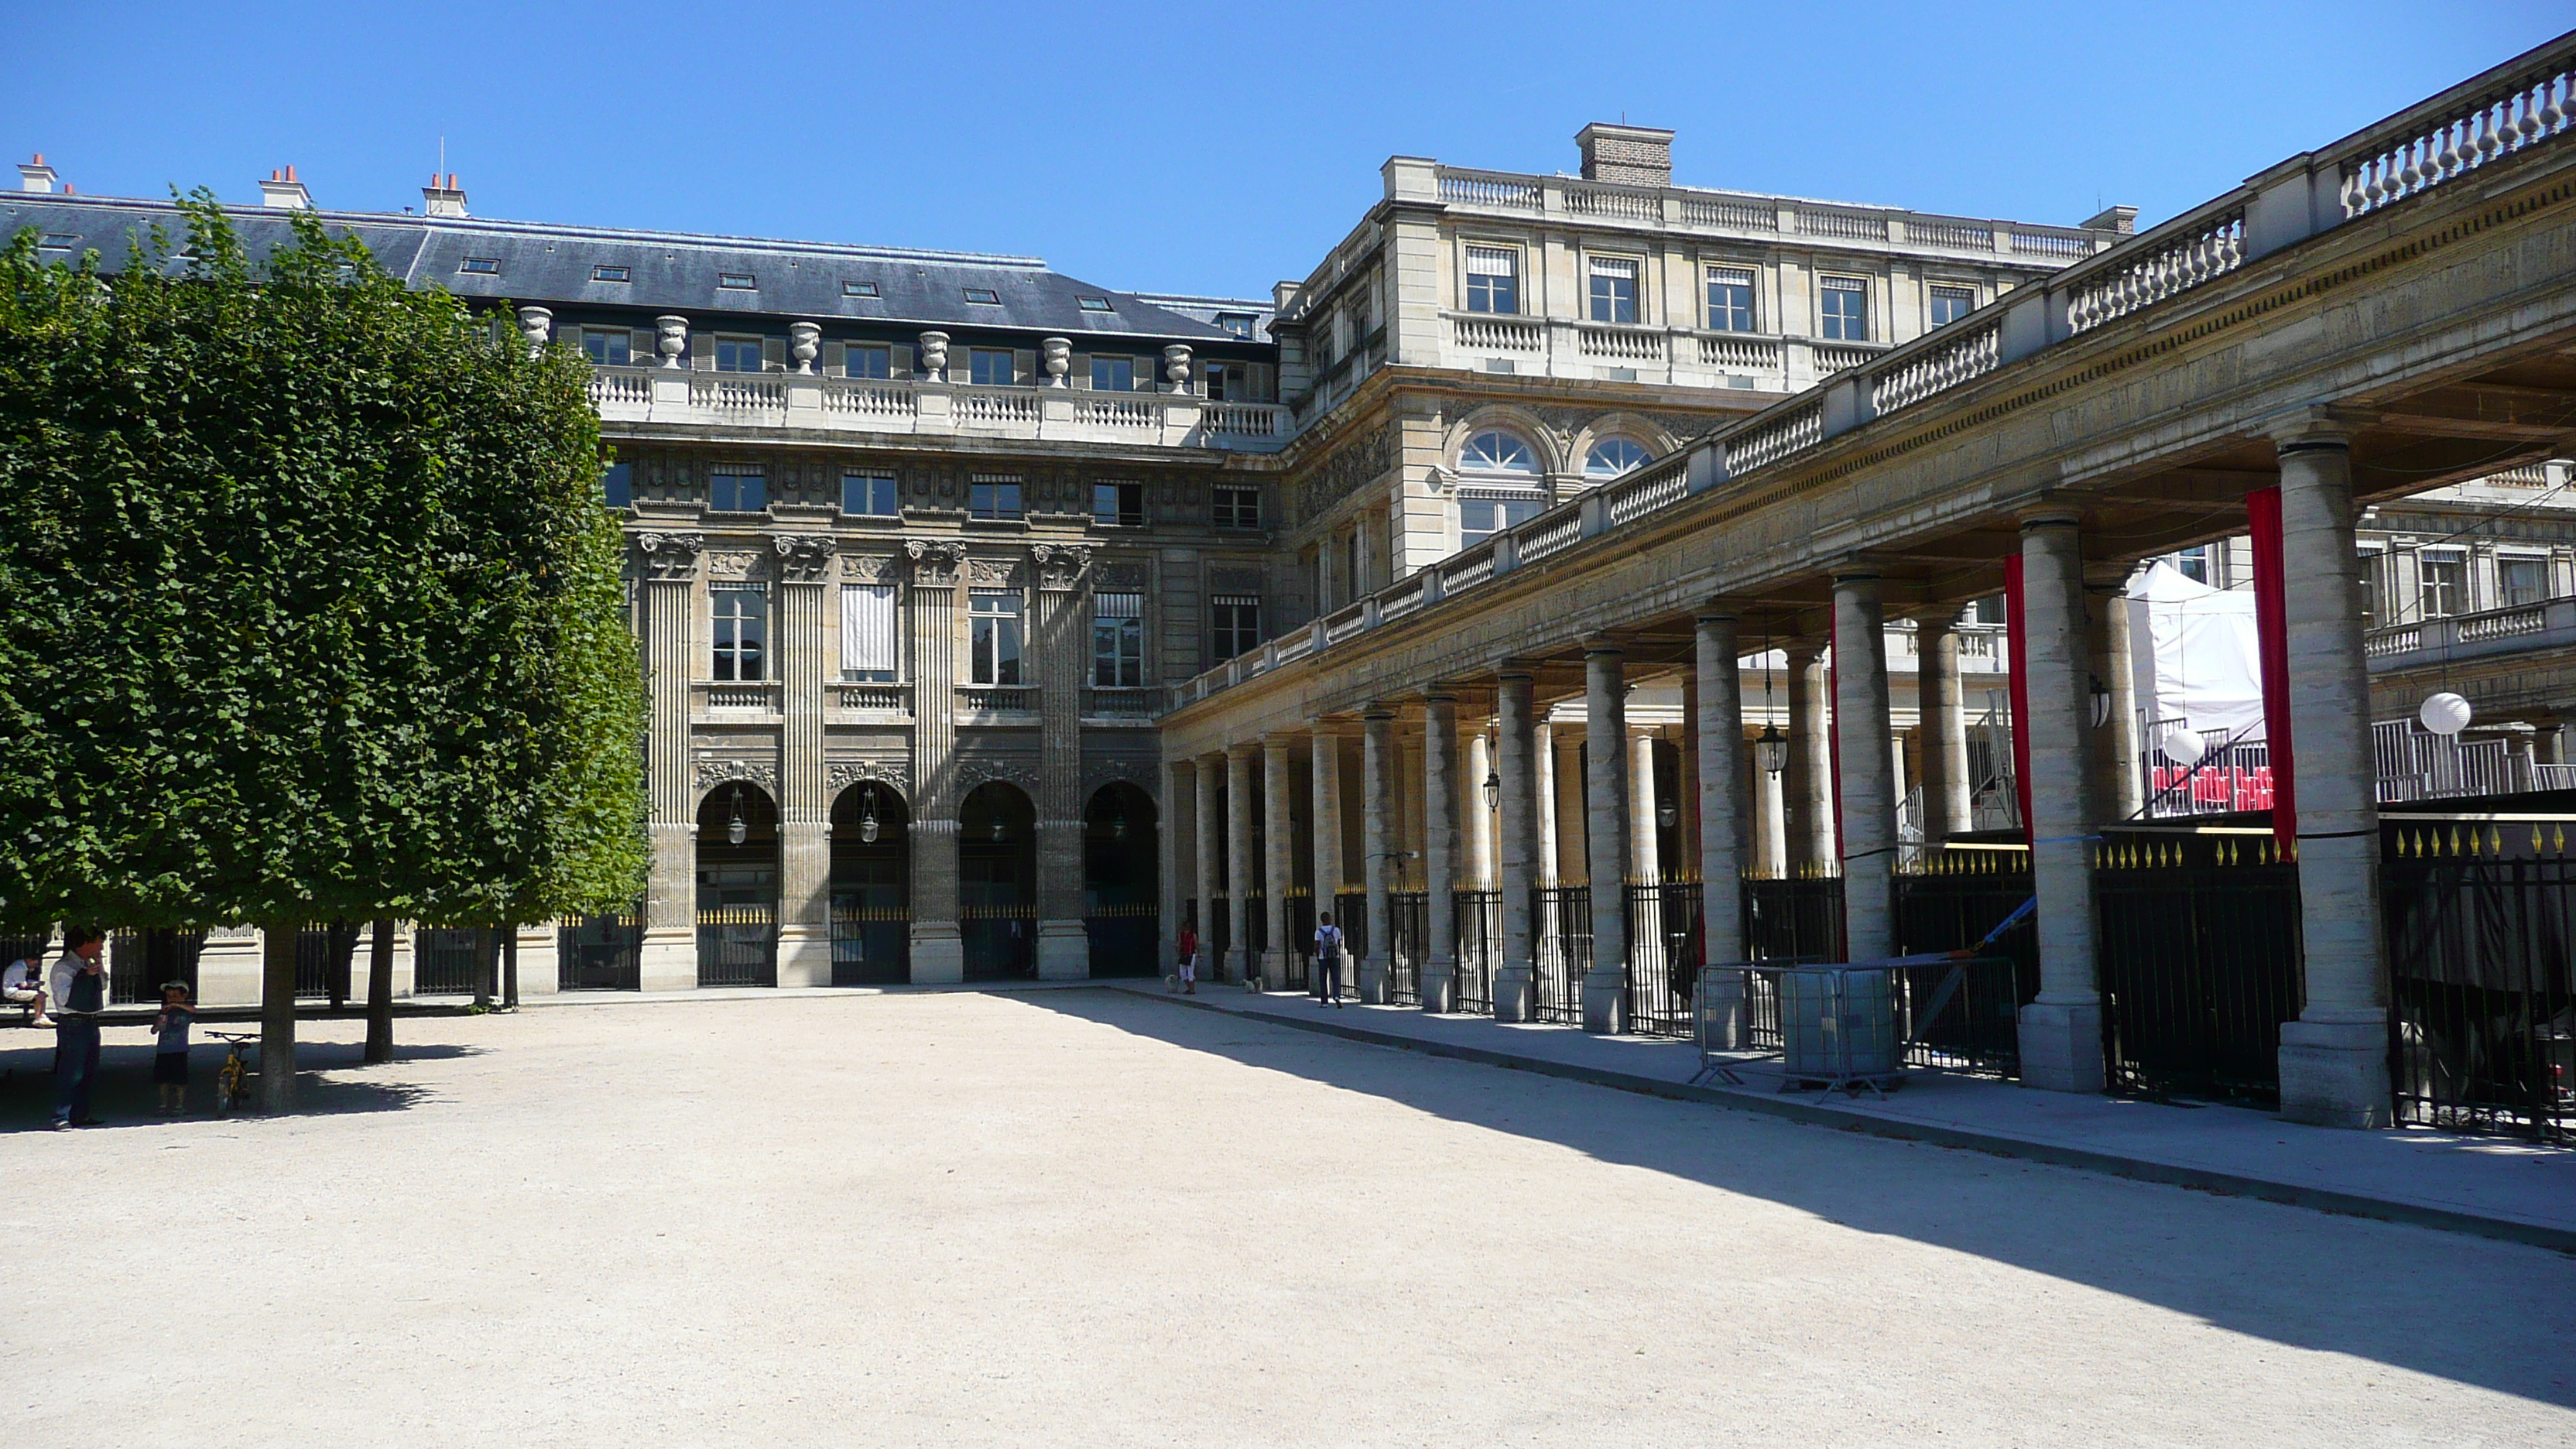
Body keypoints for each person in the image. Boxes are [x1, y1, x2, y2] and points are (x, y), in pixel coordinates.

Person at [49, 927, 107, 1129]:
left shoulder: (88, 963)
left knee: (89, 1070)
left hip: (90, 1021)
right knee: (71, 1072)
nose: (101, 947)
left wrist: (98, 970)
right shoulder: (64, 967)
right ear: (85, 943)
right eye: (98, 942)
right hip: (73, 1022)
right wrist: (84, 977)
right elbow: (65, 1000)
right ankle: (61, 1116)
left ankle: (81, 1114)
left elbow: (104, 986)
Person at [152, 982, 194, 1115]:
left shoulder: (185, 1011)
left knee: (180, 1080)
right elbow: (154, 1030)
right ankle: (163, 1105)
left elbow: (194, 1010)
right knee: (162, 1080)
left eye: (175, 996)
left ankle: (180, 1105)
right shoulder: (163, 1011)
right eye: (169, 996)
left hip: (180, 1048)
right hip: (164, 1049)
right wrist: (158, 1024)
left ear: (184, 996)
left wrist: (176, 1005)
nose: (171, 999)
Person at [2, 947, 50, 1026]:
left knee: (43, 994)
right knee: (39, 996)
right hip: (12, 991)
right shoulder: (20, 968)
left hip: (15, 989)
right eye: (34, 964)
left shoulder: (20, 965)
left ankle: (42, 1016)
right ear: (29, 960)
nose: (35, 966)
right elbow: (23, 985)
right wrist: (36, 984)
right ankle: (39, 1018)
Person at [1312, 912, 1345, 1008]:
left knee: (1323, 979)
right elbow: (1338, 942)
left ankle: (1324, 1001)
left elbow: (1317, 945)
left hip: (1323, 957)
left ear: (1321, 920)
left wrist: (1317, 955)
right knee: (1335, 978)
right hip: (1334, 957)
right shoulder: (1336, 930)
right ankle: (1337, 996)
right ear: (1330, 919)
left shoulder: (1318, 932)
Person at [1175, 924, 1199, 995]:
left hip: (1191, 954)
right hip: (1183, 954)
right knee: (1182, 973)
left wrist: (1199, 953)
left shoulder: (1193, 935)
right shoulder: (1181, 935)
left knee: (1190, 972)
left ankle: (1192, 990)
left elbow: (1196, 944)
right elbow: (1180, 944)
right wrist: (1178, 953)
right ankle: (1189, 987)